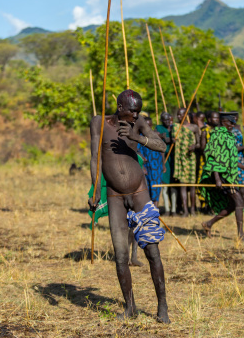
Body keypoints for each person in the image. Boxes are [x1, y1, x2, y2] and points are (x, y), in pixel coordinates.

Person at [88, 89, 169, 323]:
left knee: (152, 252)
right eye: (132, 111)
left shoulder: (139, 123)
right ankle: (130, 307)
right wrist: (95, 189)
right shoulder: (99, 122)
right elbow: (95, 157)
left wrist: (137, 138)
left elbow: (161, 146)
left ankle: (162, 306)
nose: (136, 115)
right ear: (120, 107)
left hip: (139, 192)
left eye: (138, 111)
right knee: (121, 255)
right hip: (114, 195)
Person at [199, 112, 244, 241]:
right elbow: (213, 159)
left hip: (229, 175)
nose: (233, 125)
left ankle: (209, 224)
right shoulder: (217, 135)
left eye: (234, 123)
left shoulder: (229, 136)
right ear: (223, 122)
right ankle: (241, 235)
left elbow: (231, 158)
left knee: (233, 205)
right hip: (221, 175)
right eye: (231, 123)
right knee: (239, 201)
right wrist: (217, 178)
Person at [172, 108, 200, 216]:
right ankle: (185, 210)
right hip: (180, 159)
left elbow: (199, 143)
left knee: (192, 185)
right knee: (182, 185)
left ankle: (192, 210)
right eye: (178, 115)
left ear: (186, 115)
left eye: (181, 115)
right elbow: (172, 139)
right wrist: (174, 140)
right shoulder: (175, 127)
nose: (179, 117)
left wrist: (194, 146)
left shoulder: (194, 127)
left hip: (191, 158)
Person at [138, 116, 165, 207]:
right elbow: (138, 152)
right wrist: (142, 167)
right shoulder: (140, 137)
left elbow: (162, 150)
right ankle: (148, 209)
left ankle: (155, 208)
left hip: (157, 166)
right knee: (147, 187)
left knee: (156, 187)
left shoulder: (156, 136)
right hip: (146, 165)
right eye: (146, 125)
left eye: (150, 125)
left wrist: (163, 164)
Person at [197, 111, 219, 212]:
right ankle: (204, 206)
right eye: (214, 118)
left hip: (217, 162)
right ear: (209, 119)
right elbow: (202, 147)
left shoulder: (219, 130)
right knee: (205, 182)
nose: (216, 120)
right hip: (206, 161)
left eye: (217, 118)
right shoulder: (205, 130)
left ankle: (213, 205)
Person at [156, 112, 177, 216]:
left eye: (168, 120)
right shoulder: (159, 128)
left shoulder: (174, 128)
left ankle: (173, 210)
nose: (167, 122)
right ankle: (167, 210)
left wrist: (173, 140)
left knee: (173, 186)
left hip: (174, 159)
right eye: (165, 120)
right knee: (165, 185)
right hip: (164, 160)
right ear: (161, 120)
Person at [232, 112, 244, 203]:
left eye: (236, 117)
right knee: (231, 183)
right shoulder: (226, 129)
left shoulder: (242, 129)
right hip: (228, 158)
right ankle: (232, 205)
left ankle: (242, 205)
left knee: (241, 183)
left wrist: (239, 148)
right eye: (232, 117)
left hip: (239, 157)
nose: (234, 119)